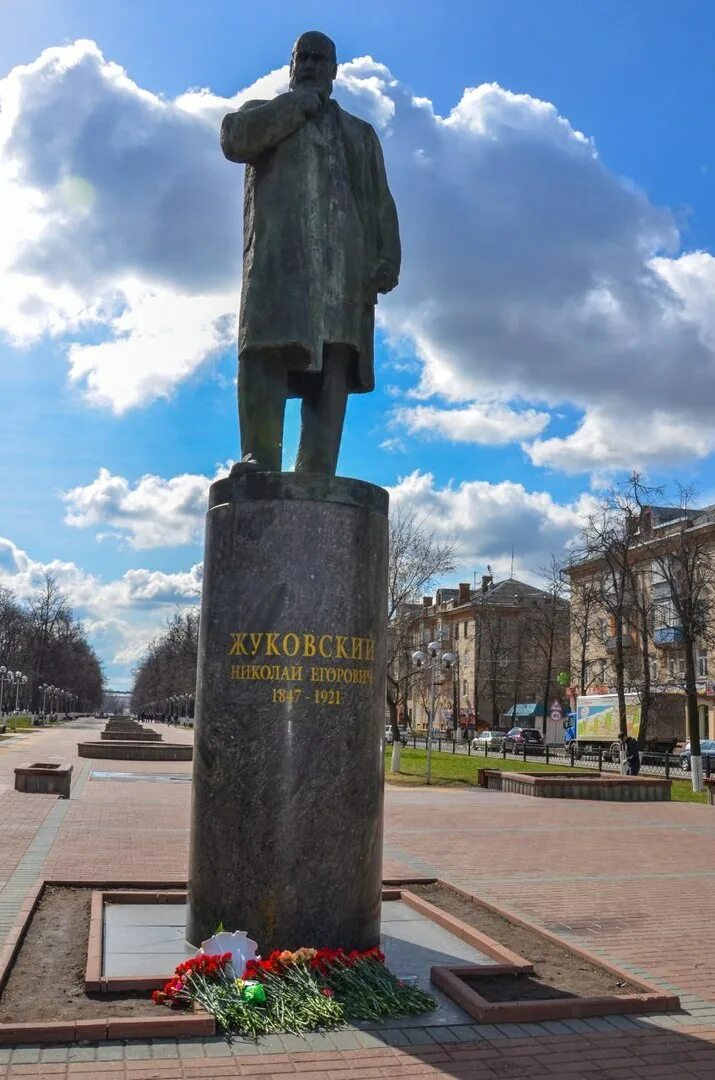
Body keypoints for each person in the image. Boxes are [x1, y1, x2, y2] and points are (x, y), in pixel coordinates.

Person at [221, 30, 401, 475]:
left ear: (335, 70)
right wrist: (299, 106)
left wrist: (386, 257)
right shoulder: (261, 115)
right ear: (291, 66)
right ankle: (259, 458)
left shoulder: (360, 134)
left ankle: (317, 470)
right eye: (304, 57)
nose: (312, 65)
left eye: (321, 59)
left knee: (333, 364)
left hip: (344, 266)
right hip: (279, 263)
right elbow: (235, 141)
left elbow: (380, 198)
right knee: (265, 353)